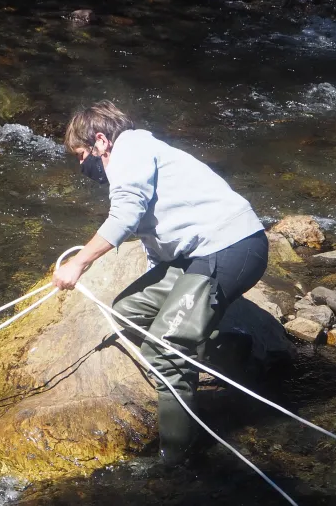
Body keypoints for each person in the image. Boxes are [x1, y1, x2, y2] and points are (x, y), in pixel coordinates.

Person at [52, 100, 267, 466]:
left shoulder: (130, 149)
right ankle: (229, 349)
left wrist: (79, 262)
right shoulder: (137, 155)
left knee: (166, 350)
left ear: (101, 142)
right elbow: (157, 246)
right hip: (197, 254)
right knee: (128, 311)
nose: (83, 165)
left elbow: (125, 216)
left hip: (230, 246)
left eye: (82, 155)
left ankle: (177, 460)